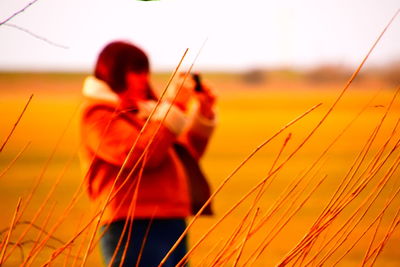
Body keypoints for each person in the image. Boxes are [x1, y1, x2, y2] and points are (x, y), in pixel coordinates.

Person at [79, 40, 217, 267]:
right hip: (131, 224)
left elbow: (182, 155)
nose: (143, 78)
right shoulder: (98, 115)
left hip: (170, 219)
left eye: (145, 71)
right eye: (135, 71)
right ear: (112, 73)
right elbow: (141, 155)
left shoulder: (145, 112)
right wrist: (175, 108)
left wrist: (203, 112)